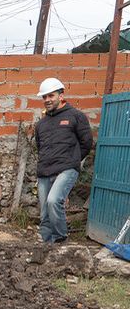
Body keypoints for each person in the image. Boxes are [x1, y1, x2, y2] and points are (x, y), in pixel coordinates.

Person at [33, 77, 93, 244]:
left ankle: (60, 239)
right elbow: (40, 146)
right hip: (44, 170)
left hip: (67, 169)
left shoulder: (76, 116)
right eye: (44, 97)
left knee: (53, 201)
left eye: (50, 96)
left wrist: (72, 160)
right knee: (44, 212)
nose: (47, 100)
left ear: (61, 95)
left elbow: (86, 143)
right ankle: (47, 245)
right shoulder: (41, 124)